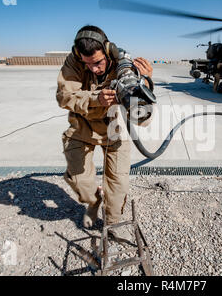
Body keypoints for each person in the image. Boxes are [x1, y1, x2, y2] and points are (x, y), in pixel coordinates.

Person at [56, 25, 153, 241]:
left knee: (118, 186)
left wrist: (144, 83)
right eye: (87, 64)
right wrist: (95, 99)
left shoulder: (122, 64)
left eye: (98, 63)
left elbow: (142, 116)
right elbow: (64, 97)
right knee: (82, 186)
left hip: (113, 129)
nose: (94, 69)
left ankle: (112, 226)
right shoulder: (73, 61)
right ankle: (94, 200)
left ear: (107, 52)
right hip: (81, 128)